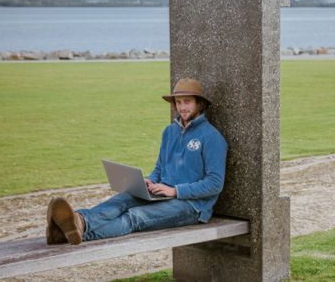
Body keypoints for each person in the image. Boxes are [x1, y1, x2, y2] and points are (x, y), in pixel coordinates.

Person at [46, 79, 227, 245]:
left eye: (187, 101)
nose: (182, 107)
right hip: (162, 193)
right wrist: (150, 181)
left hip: (192, 206)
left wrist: (174, 190)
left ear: (199, 103)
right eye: (178, 102)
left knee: (135, 216)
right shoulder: (170, 131)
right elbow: (160, 167)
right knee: (123, 199)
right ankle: (79, 220)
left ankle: (67, 234)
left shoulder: (212, 137)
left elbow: (215, 183)